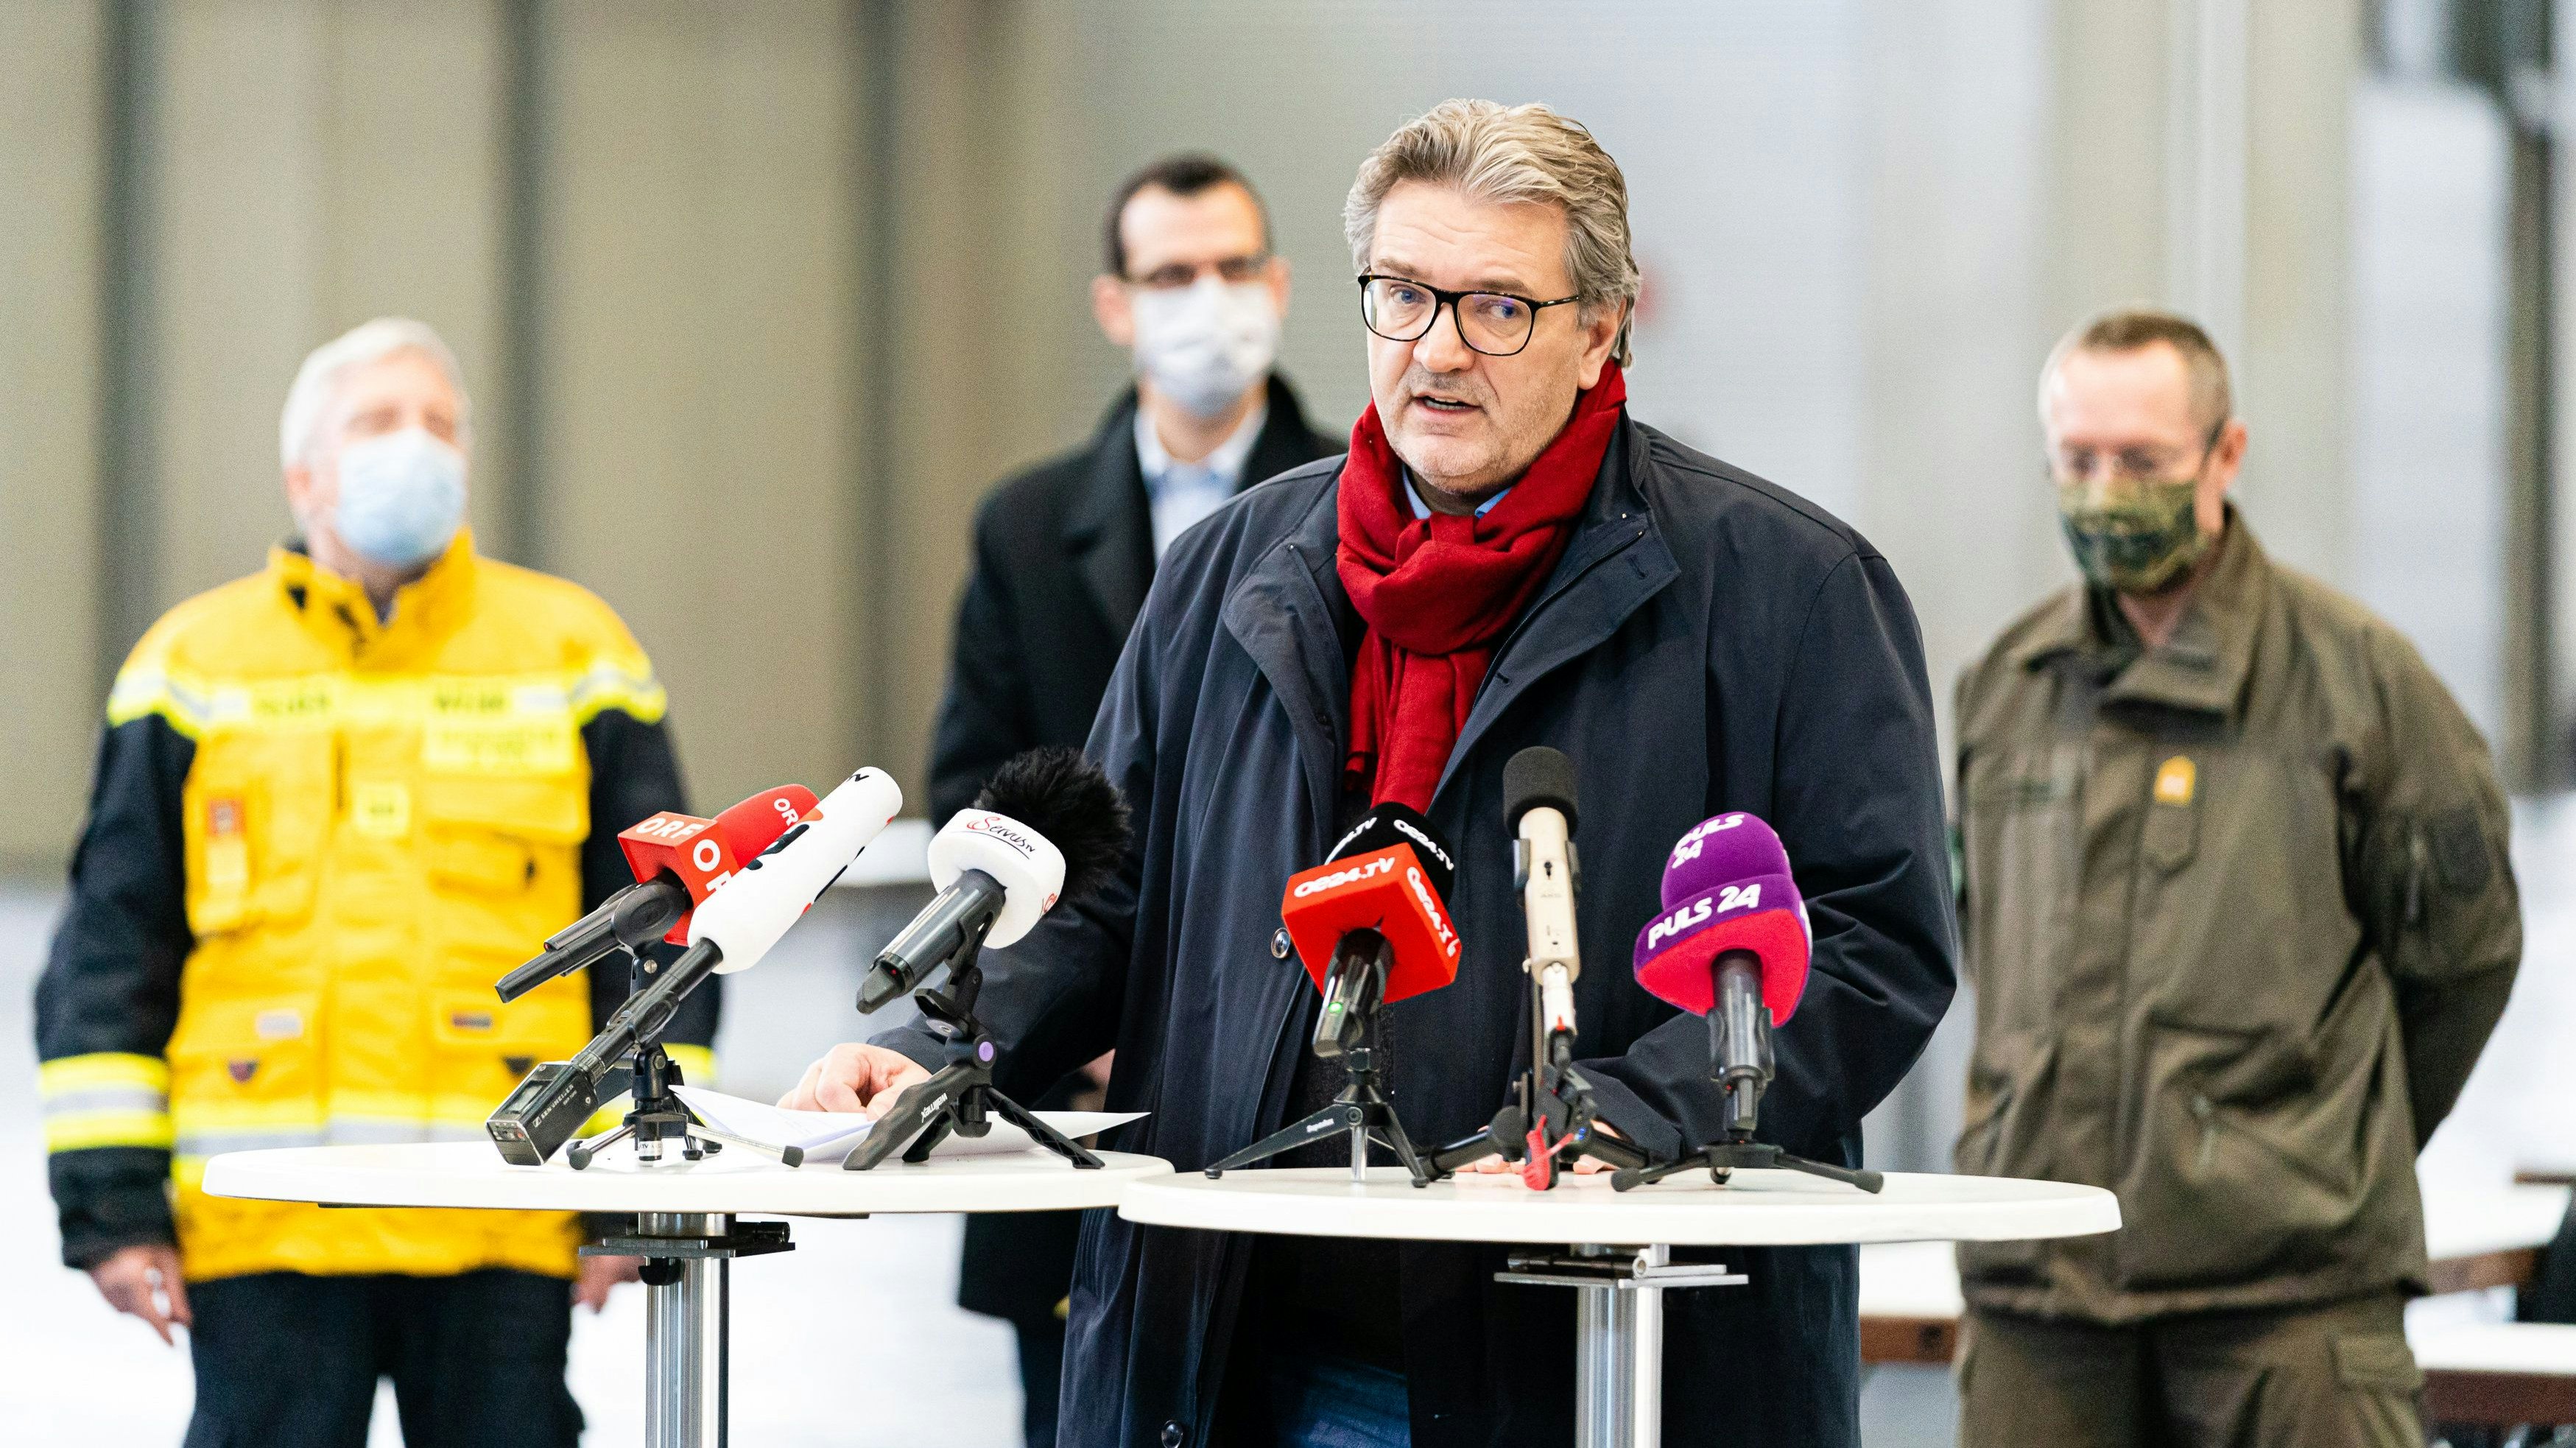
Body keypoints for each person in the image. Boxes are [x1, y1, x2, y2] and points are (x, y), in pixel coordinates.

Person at [789, 100, 1955, 1446]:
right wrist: (936, 1046)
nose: (1439, 351)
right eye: (1403, 295)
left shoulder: (1787, 592)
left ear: (1601, 327)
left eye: (1498, 308)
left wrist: (1637, 1113)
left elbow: (1868, 942)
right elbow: (1099, 892)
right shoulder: (1233, 573)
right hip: (1231, 1349)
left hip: (1604, 1351)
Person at [36, 317, 719, 1447]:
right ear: (305, 472)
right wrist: (109, 1206)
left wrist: (639, 1186)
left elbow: (674, 939)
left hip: (507, 1210)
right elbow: (113, 945)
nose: (420, 446)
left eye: (442, 423)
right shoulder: (191, 667)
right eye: (379, 421)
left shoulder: (575, 652)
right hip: (268, 1219)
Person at [1949, 307, 2522, 1447]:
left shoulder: (2359, 680)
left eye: (2145, 461)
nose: (2109, 490)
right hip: (2041, 1295)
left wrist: (2309, 1142)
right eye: (2080, 460)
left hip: (2289, 1302)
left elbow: (2464, 957)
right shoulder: (2005, 687)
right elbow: (1986, 938)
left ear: (2227, 455)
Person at [927, 152, 1336, 1448]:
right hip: (1063, 1090)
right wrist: (1074, 1011)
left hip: (1284, 1080)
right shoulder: (1030, 525)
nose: (1204, 300)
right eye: (1170, 274)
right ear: (1116, 305)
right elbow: (973, 793)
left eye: (1230, 268)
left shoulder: (1362, 507)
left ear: (1279, 286)